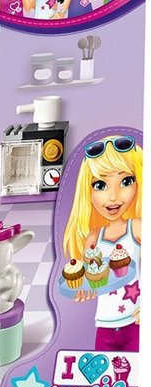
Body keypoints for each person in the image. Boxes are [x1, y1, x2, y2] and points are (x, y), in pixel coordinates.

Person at [63, 136, 142, 352]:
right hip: (105, 324)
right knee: (104, 373)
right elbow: (92, 279)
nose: (113, 196)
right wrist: (83, 290)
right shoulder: (93, 238)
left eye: (126, 182)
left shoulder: (137, 228)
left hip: (136, 321)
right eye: (100, 185)